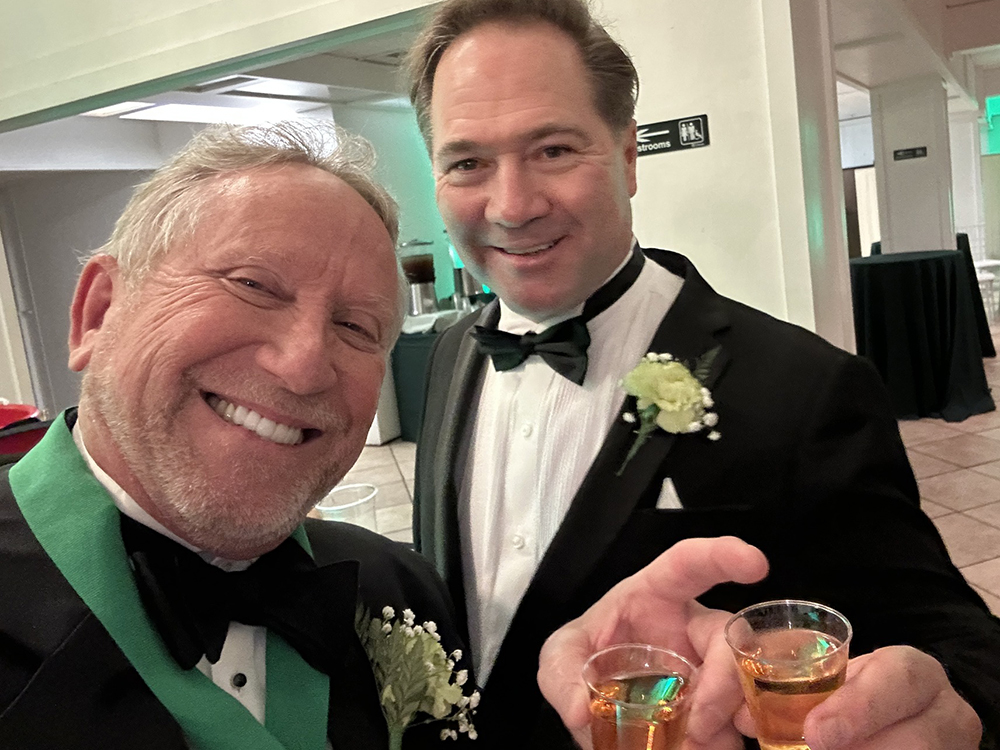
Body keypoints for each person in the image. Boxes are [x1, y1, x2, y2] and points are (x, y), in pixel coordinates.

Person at [405, 0, 1000, 747]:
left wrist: (957, 710)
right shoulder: (450, 355)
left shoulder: (806, 388)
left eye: (553, 149)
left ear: (628, 157)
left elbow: (959, 646)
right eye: (467, 162)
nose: (512, 206)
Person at [0, 121, 478, 749]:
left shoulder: (398, 591)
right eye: (252, 285)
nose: (304, 366)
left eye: (356, 327)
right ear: (100, 312)